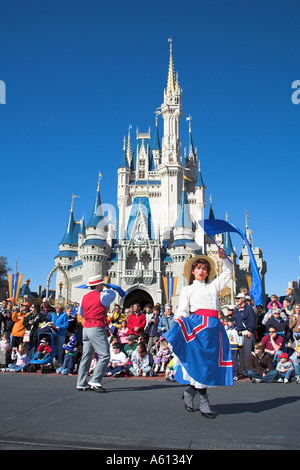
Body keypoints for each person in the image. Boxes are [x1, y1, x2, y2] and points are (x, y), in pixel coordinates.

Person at [164, 248, 233, 419]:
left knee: (208, 366)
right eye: (198, 268)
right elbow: (182, 310)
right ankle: (204, 403)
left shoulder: (213, 286)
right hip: (198, 328)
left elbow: (228, 272)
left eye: (204, 268)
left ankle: (189, 392)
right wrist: (179, 323)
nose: (201, 271)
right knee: (201, 365)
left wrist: (224, 258)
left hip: (214, 330)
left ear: (208, 272)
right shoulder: (188, 290)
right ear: (193, 271)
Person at [76, 275, 116, 392]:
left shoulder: (83, 298)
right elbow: (113, 295)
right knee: (104, 355)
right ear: (98, 285)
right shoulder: (102, 296)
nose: (103, 285)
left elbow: (81, 313)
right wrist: (108, 286)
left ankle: (81, 382)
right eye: (102, 284)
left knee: (86, 356)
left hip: (86, 328)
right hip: (96, 327)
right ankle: (95, 380)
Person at [233, 292, 256, 377]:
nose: (237, 300)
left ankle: (247, 369)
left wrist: (250, 330)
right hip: (238, 332)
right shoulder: (237, 309)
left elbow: (251, 320)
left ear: (243, 299)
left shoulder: (248, 308)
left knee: (247, 352)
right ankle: (242, 369)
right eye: (236, 299)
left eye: (239, 298)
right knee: (240, 353)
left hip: (246, 331)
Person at [225, 315, 244, 381]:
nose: (229, 323)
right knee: (229, 361)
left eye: (231, 321)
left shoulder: (237, 330)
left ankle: (236, 374)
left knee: (235, 361)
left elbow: (240, 338)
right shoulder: (227, 331)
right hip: (229, 347)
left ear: (234, 322)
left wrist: (240, 345)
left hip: (235, 347)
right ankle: (230, 374)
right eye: (228, 322)